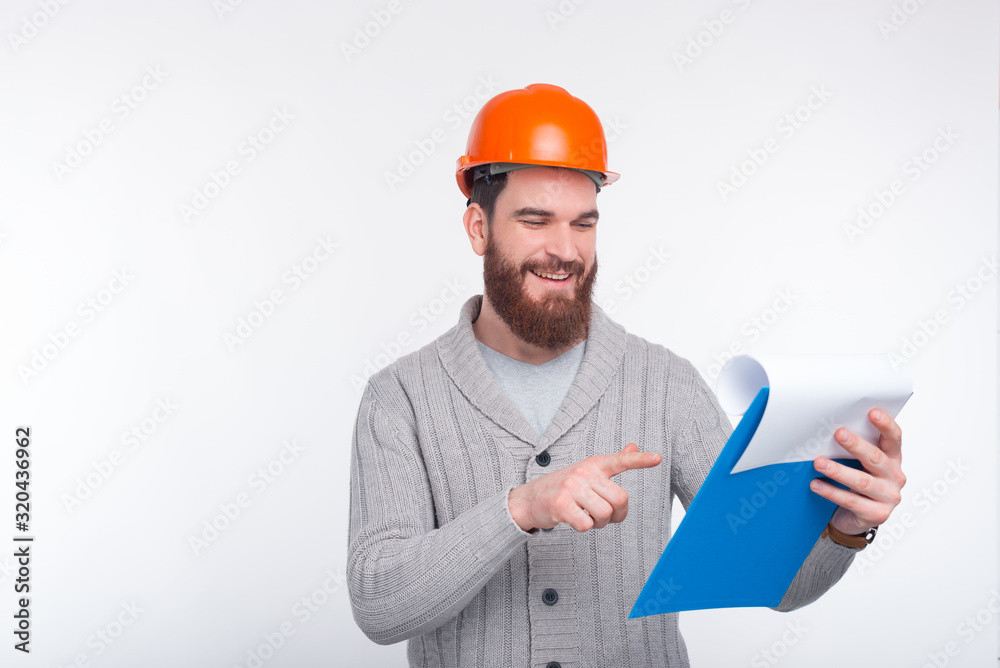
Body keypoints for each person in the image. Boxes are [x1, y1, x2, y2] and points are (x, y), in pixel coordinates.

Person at [347, 83, 906, 668]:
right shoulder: (402, 397)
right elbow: (379, 605)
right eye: (535, 221)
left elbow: (776, 581)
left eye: (583, 224)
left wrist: (844, 527)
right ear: (478, 228)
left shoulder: (664, 383)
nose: (564, 250)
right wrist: (521, 509)